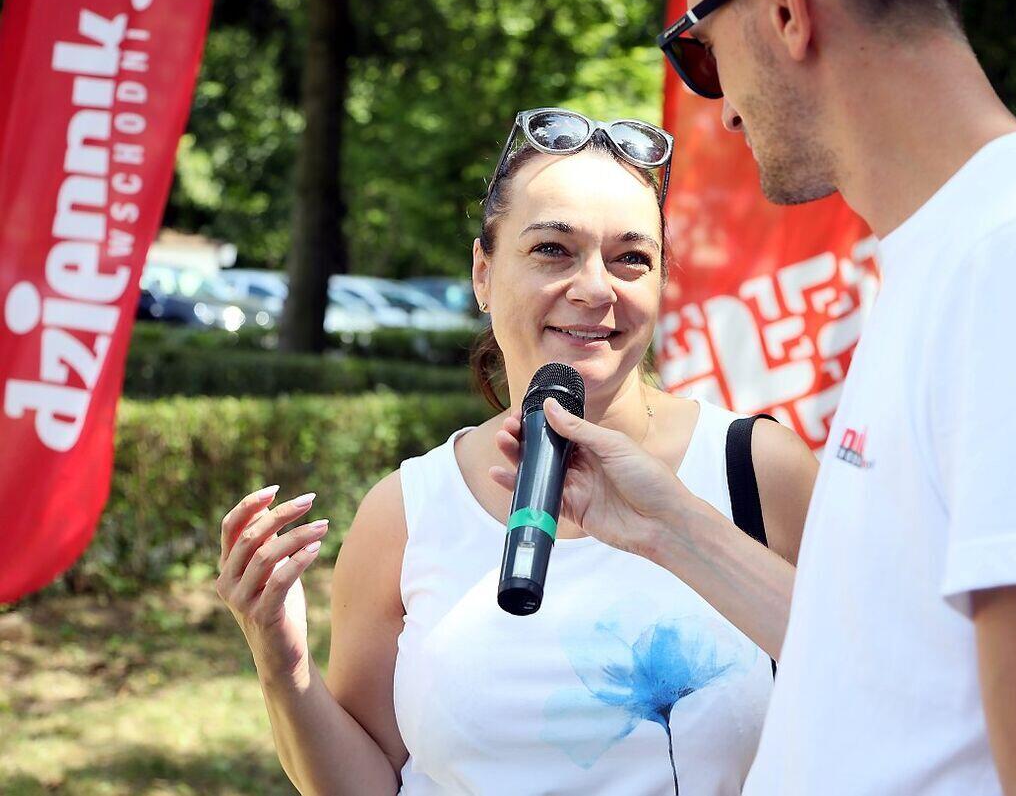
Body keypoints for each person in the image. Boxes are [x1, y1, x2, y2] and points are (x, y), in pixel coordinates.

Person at [498, 0, 1016, 794]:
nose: (720, 106)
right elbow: (892, 662)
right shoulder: (961, 255)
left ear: (783, 2)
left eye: (701, 49)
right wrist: (666, 525)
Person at [215, 107, 818, 794]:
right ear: (483, 273)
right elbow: (368, 781)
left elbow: (873, 695)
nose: (595, 288)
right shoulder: (407, 512)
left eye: (631, 258)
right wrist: (282, 662)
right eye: (553, 249)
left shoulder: (761, 472)